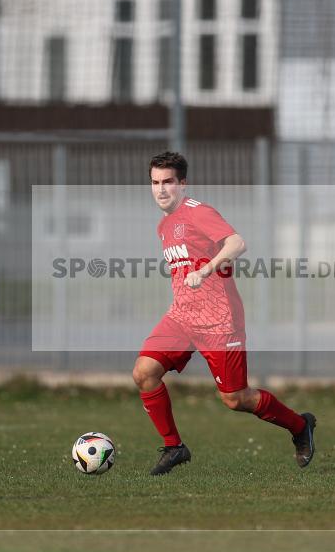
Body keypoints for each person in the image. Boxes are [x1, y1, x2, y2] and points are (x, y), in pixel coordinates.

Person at [133, 151, 316, 476]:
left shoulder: (198, 212)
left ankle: (300, 426)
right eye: (155, 182)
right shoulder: (164, 225)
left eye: (168, 182)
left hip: (220, 321)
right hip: (182, 317)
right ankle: (174, 447)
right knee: (144, 373)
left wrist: (206, 271)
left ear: (183, 184)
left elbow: (237, 243)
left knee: (235, 399)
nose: (161, 189)